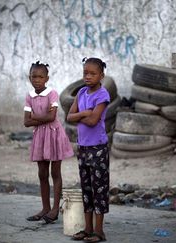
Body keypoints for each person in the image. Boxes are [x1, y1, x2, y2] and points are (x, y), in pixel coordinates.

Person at [24, 61, 74, 224]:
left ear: (47, 78)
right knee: (42, 173)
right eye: (34, 76)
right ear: (29, 77)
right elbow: (26, 122)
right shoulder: (29, 96)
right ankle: (45, 208)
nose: (37, 79)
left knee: (55, 173)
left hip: (54, 135)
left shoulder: (52, 93)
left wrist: (35, 118)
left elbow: (52, 117)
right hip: (40, 137)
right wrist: (41, 118)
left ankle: (54, 209)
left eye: (40, 76)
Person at [67, 57, 110, 242]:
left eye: (93, 73)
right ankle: (88, 228)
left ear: (101, 75)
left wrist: (80, 116)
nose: (88, 76)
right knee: (87, 189)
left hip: (98, 148)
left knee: (98, 188)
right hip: (83, 148)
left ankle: (99, 231)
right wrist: (84, 113)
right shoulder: (81, 93)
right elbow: (69, 116)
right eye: (85, 73)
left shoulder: (103, 95)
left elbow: (94, 122)